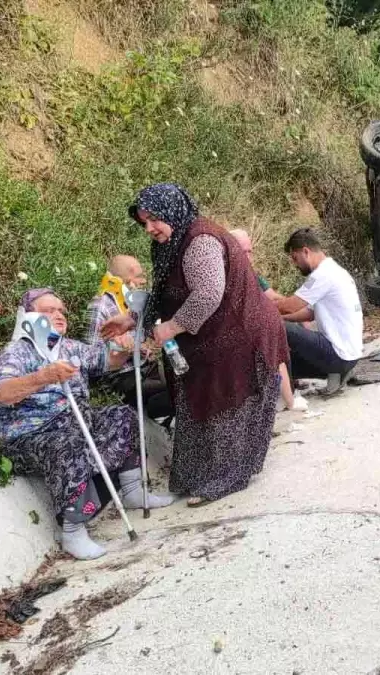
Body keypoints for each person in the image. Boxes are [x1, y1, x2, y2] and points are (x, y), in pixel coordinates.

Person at [100, 183, 289, 506]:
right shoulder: (172, 241)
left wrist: (172, 327)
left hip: (240, 335)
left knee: (225, 404)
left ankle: (223, 478)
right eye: (144, 222)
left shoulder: (200, 241)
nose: (149, 228)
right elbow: (164, 292)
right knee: (195, 400)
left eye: (154, 219)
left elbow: (207, 294)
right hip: (208, 339)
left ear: (171, 211)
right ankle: (194, 476)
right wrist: (132, 319)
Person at [0, 288, 175, 561]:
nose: (59, 315)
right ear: (29, 317)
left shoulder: (69, 347)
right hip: (32, 435)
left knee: (122, 415)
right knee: (69, 443)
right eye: (49, 311)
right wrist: (42, 377)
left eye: (61, 310)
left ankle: (134, 492)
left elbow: (105, 361)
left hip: (76, 424)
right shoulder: (17, 352)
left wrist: (124, 349)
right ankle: (73, 530)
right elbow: (1, 393)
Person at [274, 228, 364, 394]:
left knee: (277, 326)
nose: (295, 264)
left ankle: (336, 371)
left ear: (305, 252)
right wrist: (280, 315)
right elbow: (308, 313)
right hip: (349, 356)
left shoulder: (322, 275)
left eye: (295, 258)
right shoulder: (334, 271)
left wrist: (260, 309)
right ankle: (337, 374)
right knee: (287, 363)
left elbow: (291, 305)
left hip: (338, 354)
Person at [229, 228, 307, 412]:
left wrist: (299, 311)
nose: (248, 257)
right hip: (238, 333)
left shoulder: (252, 276)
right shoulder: (227, 277)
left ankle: (289, 388)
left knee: (277, 327)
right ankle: (289, 400)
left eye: (250, 251)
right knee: (271, 332)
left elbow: (274, 298)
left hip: (255, 327)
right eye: (243, 252)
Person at [85, 255, 173, 420]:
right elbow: (90, 357)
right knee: (180, 391)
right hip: (121, 377)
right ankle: (153, 417)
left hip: (146, 368)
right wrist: (119, 348)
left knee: (185, 380)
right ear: (129, 278)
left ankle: (160, 417)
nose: (143, 282)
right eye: (140, 277)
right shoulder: (100, 306)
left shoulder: (130, 306)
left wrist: (142, 346)